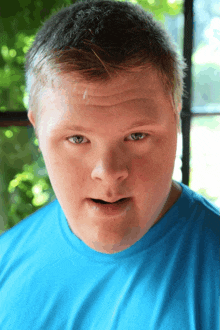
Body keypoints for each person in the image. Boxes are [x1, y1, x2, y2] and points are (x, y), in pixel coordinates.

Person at [0, 0, 219, 329]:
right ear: (37, 129)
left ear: (175, 121)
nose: (108, 170)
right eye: (77, 139)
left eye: (136, 135)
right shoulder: (5, 261)